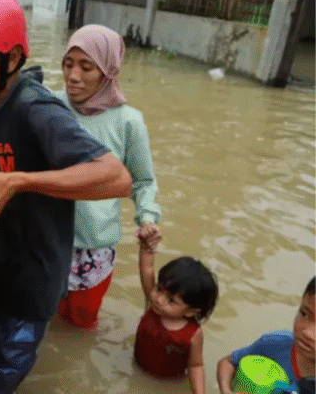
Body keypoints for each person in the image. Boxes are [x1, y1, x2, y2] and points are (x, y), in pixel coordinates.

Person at [0, 0, 131, 393]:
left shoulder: (35, 108)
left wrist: (20, 180)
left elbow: (115, 177)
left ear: (11, 59)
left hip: (28, 286)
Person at [55, 24, 162, 331]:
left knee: (81, 323)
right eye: (68, 64)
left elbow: (143, 181)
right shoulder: (50, 106)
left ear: (108, 70)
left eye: (86, 67)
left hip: (93, 245)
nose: (73, 76)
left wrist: (147, 218)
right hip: (48, 236)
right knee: (40, 315)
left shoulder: (129, 121)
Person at [136, 249, 219, 394]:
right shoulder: (152, 306)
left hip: (168, 384)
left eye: (171, 300)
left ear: (190, 311)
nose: (159, 299)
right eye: (159, 289)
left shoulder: (193, 334)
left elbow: (195, 366)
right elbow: (147, 269)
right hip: (137, 366)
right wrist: (146, 248)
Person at [216, 277, 315, 394]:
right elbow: (228, 362)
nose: (307, 333)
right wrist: (226, 390)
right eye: (304, 313)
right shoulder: (276, 344)